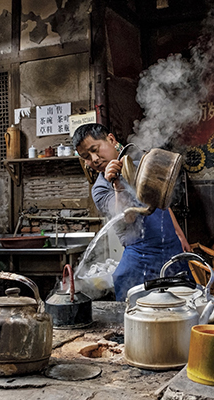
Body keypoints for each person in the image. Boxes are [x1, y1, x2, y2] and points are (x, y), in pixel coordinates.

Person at [73, 123, 191, 301]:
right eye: (86, 157)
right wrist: (117, 185)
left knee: (184, 304)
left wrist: (179, 234)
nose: (94, 159)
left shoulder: (141, 166)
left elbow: (162, 202)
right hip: (140, 256)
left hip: (172, 248)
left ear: (111, 140)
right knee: (139, 310)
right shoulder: (100, 188)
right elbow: (125, 218)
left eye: (95, 149)